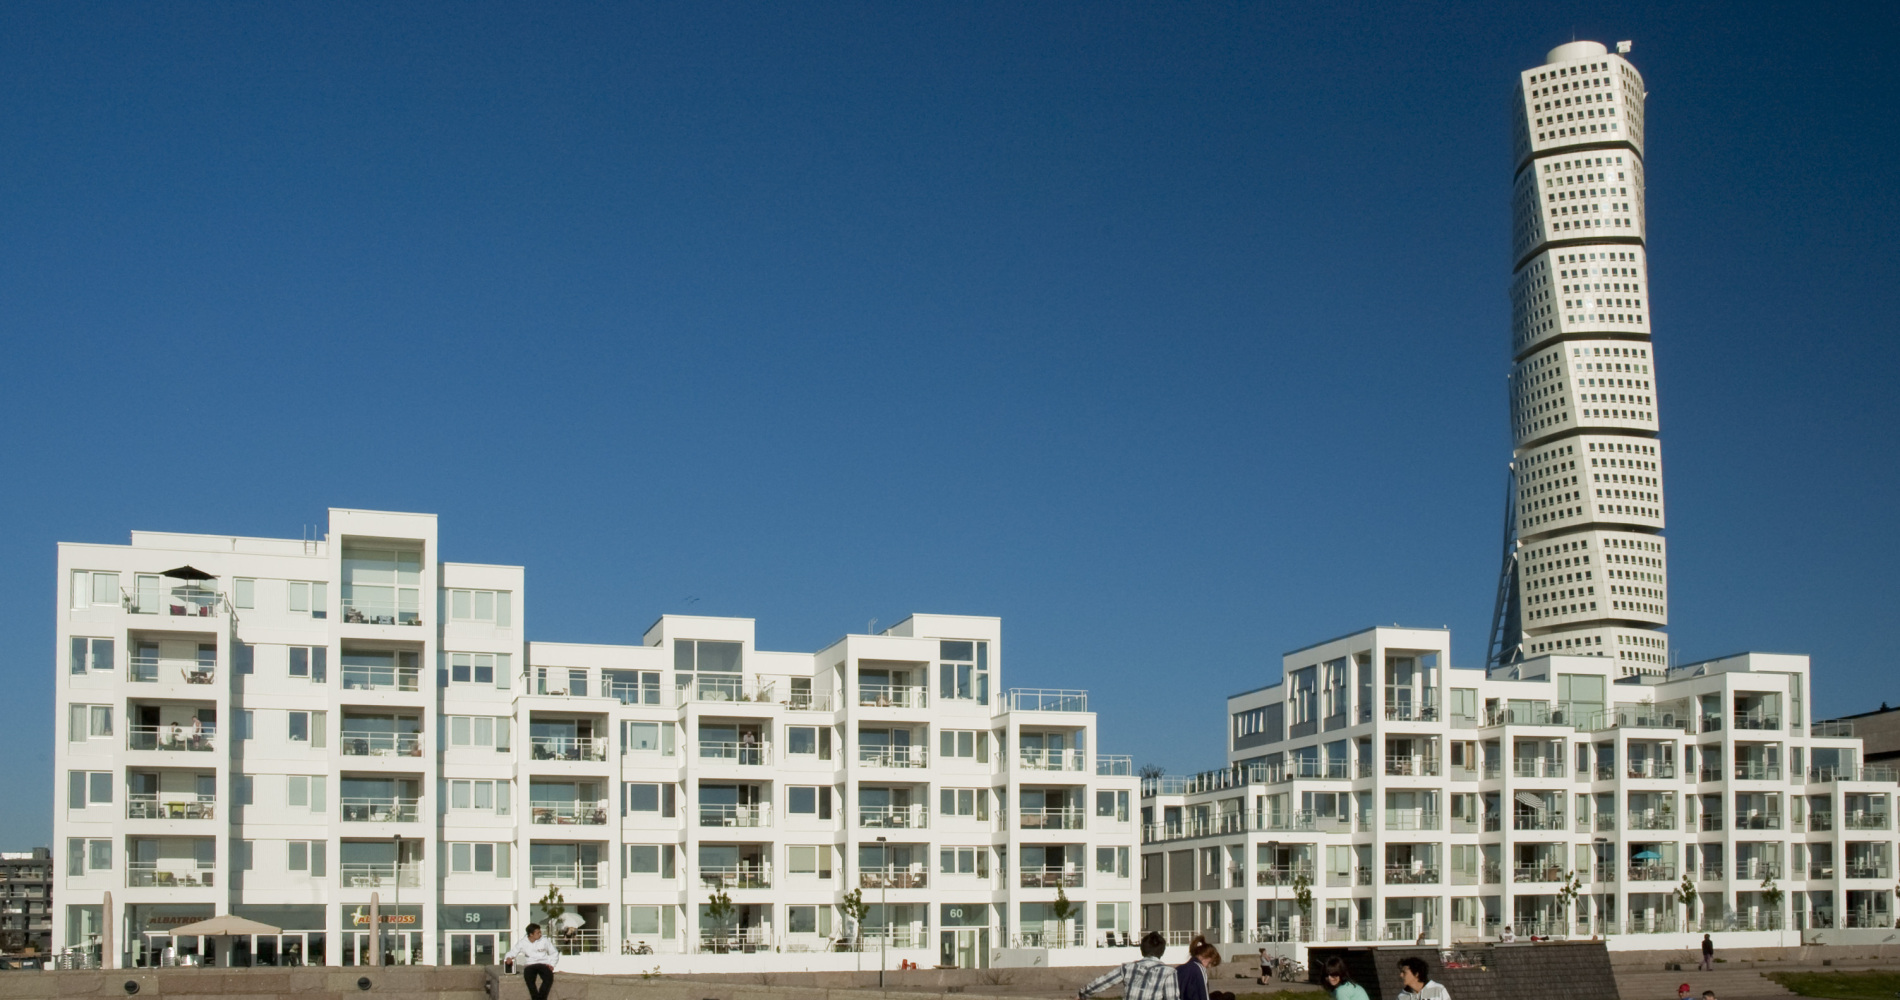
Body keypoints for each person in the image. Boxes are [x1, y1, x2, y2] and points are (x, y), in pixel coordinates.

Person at [1079, 931, 1181, 1000]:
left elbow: (1104, 981)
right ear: (1162, 952)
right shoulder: (1168, 972)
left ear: (1142, 950)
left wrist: (1082, 994)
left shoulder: (1127, 968)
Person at [505, 923, 560, 1000]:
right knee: (529, 980)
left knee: (548, 978)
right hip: (530, 964)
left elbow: (554, 952)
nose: (540, 934)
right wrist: (508, 957)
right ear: (531, 934)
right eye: (538, 933)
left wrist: (552, 964)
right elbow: (512, 952)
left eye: (540, 932)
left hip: (543, 963)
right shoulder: (522, 942)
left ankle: (540, 998)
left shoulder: (544, 940)